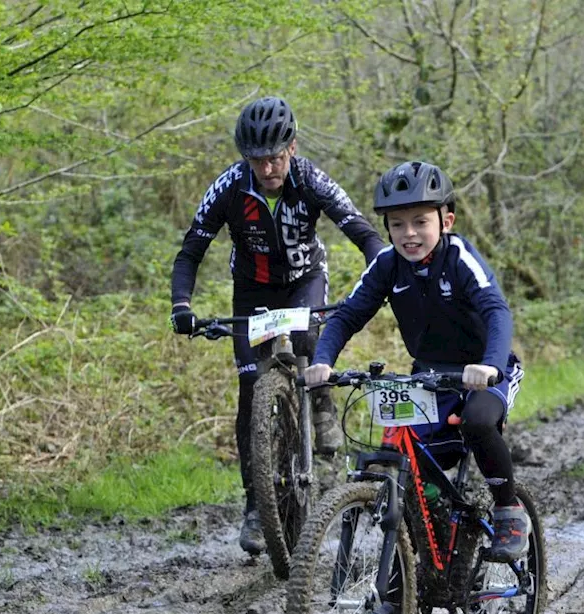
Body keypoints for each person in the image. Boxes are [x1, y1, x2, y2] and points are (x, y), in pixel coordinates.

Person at [169, 96, 385, 556]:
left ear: (293, 146)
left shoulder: (310, 179)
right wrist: (182, 304)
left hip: (305, 278)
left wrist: (382, 277)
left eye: (276, 156)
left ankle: (321, 400)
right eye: (257, 159)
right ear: (245, 157)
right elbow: (190, 251)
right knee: (250, 388)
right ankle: (255, 505)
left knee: (308, 336)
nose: (268, 167)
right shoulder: (229, 187)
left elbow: (362, 231)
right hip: (252, 291)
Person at [304, 160, 528, 564]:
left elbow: (496, 311)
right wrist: (323, 361)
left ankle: (508, 508)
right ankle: (409, 577)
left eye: (420, 222)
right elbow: (346, 316)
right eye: (397, 224)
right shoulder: (387, 265)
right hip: (428, 377)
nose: (409, 234)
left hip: (486, 370)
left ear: (446, 220)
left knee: (477, 422)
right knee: (406, 461)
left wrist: (491, 365)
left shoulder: (459, 256)